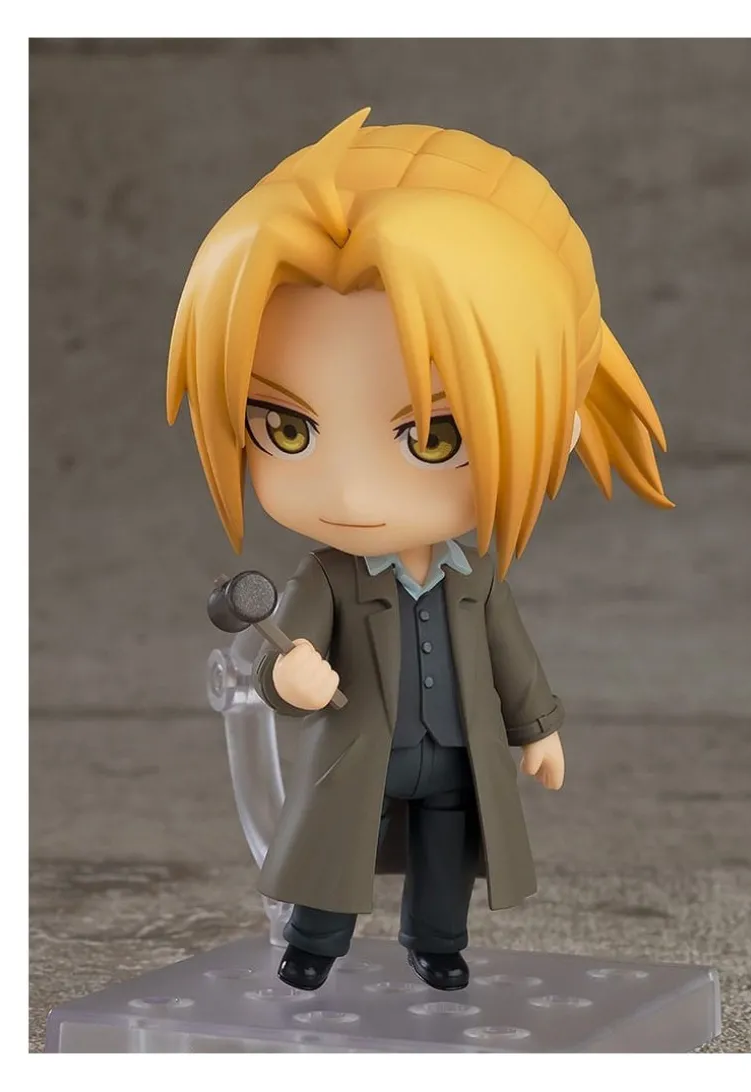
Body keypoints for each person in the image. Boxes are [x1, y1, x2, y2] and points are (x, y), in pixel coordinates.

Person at [166, 109, 671, 991]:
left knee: (449, 856)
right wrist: (288, 679)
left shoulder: (476, 580)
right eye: (288, 429)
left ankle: (436, 945)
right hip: (359, 753)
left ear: (556, 425)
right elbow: (285, 654)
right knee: (333, 853)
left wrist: (539, 729)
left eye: (433, 437)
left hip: (456, 753)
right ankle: (313, 945)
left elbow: (512, 660)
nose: (353, 495)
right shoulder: (326, 576)